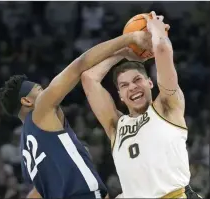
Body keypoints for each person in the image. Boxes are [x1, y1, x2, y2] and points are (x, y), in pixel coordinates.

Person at [0, 30, 151, 199]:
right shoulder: (41, 109)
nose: (47, 91)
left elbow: (35, 195)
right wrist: (128, 41)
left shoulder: (26, 154)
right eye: (41, 90)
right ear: (27, 101)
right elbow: (80, 65)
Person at [81, 11, 202, 198]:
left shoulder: (167, 106)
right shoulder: (116, 126)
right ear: (120, 95)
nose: (132, 88)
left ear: (150, 83)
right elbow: (89, 78)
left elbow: (163, 50)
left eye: (137, 80)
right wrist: (124, 51)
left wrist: (157, 33)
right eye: (124, 85)